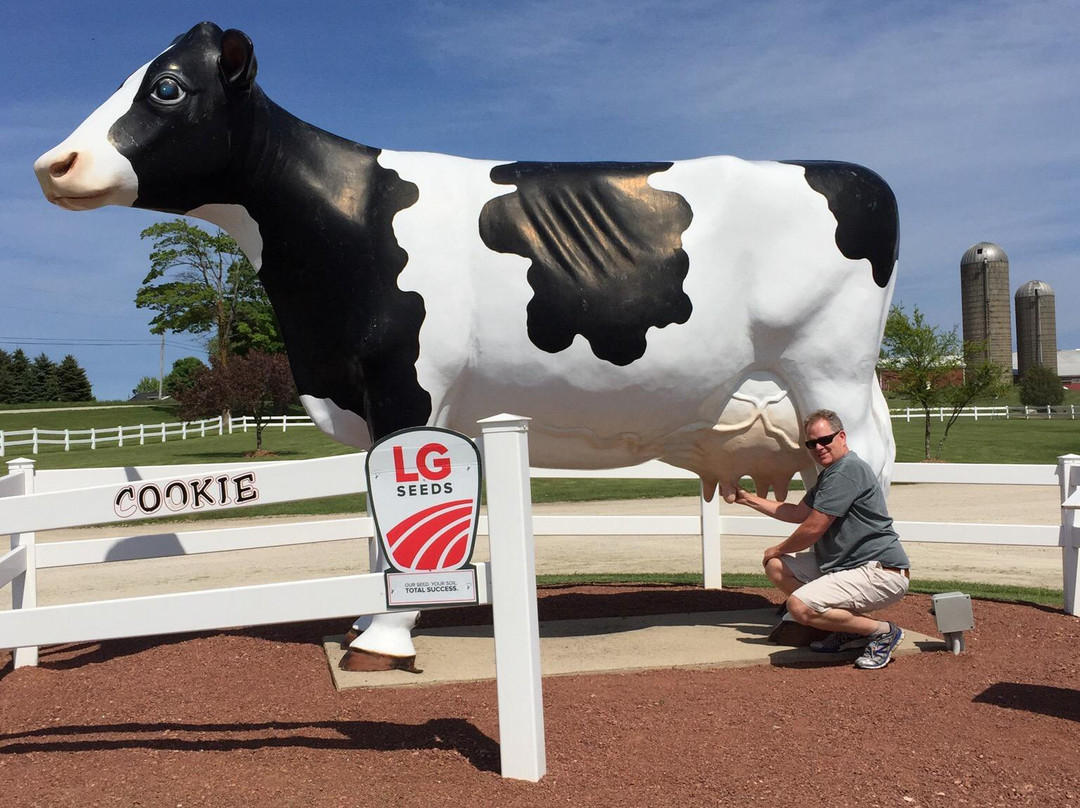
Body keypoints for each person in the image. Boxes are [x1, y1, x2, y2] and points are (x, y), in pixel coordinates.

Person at [734, 408, 910, 669]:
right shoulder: (832, 473)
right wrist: (746, 498)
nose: (818, 447)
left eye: (824, 439)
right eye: (811, 443)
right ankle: (849, 628)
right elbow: (796, 513)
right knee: (777, 567)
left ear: (841, 436)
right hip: (848, 568)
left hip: (880, 572)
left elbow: (813, 528)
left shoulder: (847, 471)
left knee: (800, 606)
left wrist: (777, 548)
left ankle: (883, 632)